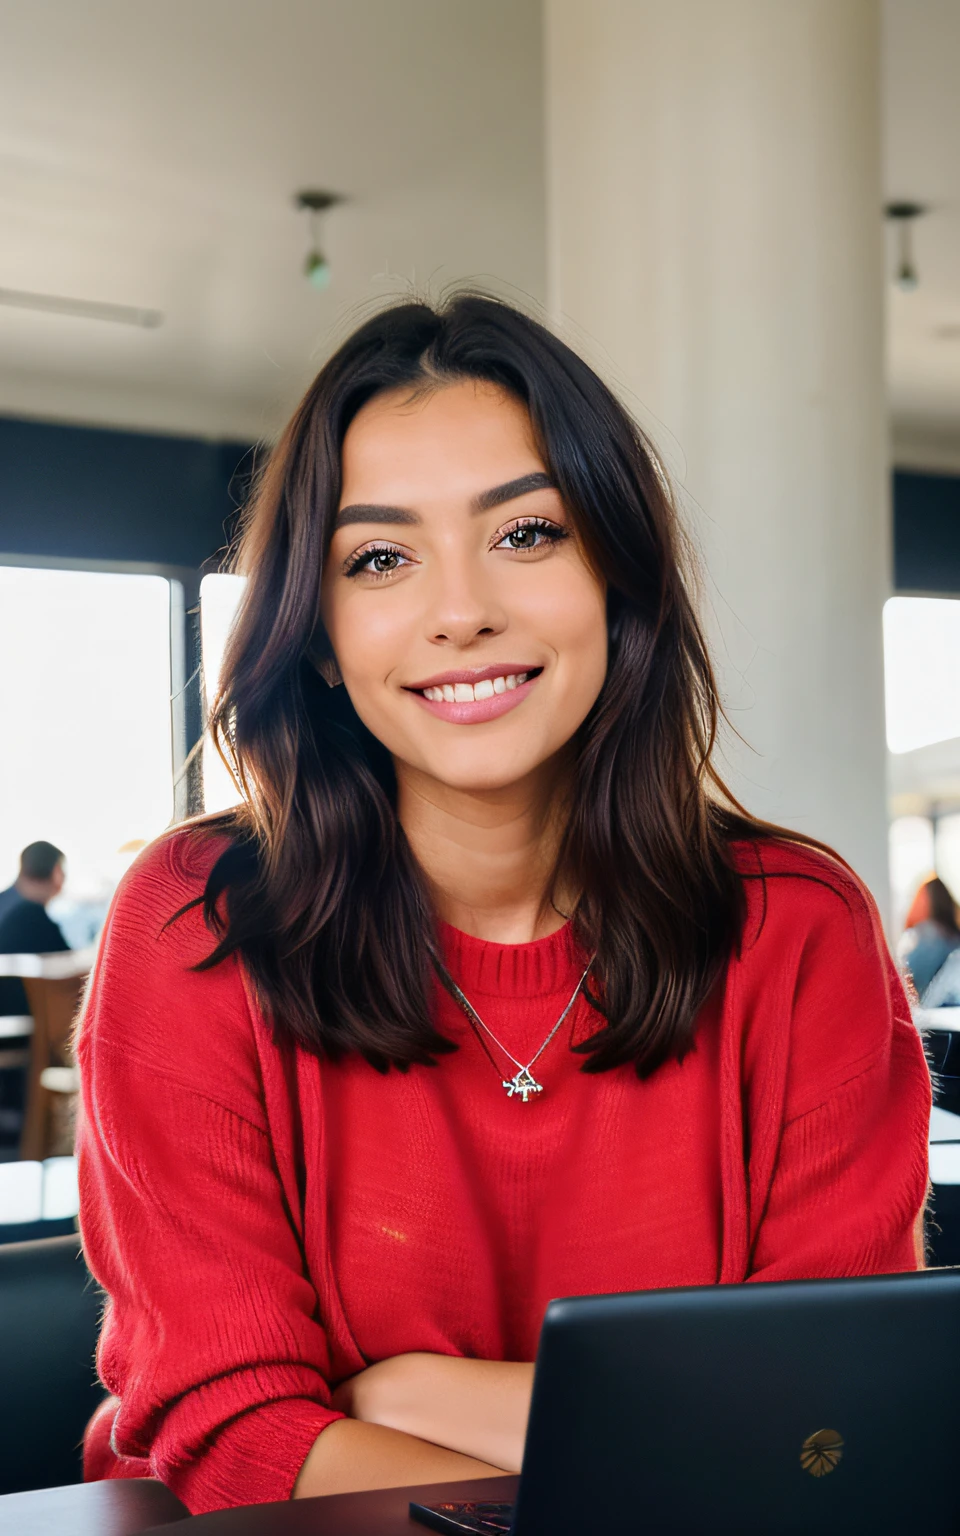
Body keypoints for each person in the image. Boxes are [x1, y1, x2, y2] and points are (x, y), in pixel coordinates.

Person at [76, 296, 931, 1516]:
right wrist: (676, 1455)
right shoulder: (196, 925)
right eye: (379, 558)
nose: (460, 609)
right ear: (317, 635)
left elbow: (831, 1423)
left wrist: (401, 1390)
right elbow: (235, 1438)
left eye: (527, 533)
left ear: (618, 578)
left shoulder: (798, 927)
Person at [0, 841, 69, 1018]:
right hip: (18, 1025)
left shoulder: (5, 903)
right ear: (56, 873)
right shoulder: (30, 914)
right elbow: (70, 967)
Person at [898, 875, 960, 1000]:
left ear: (929, 901)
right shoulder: (951, 934)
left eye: (917, 897)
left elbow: (909, 981)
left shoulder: (929, 933)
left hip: (930, 1011)